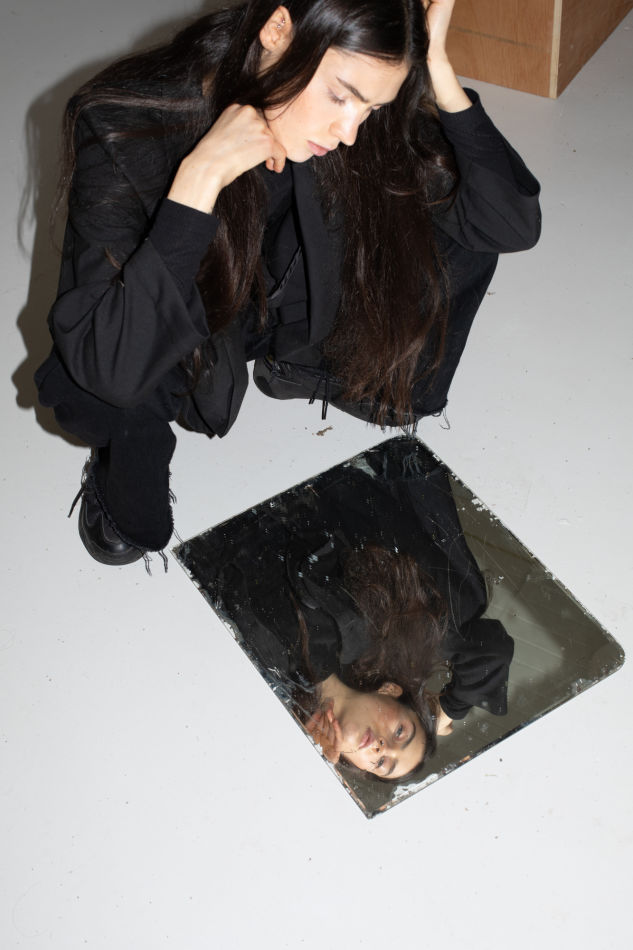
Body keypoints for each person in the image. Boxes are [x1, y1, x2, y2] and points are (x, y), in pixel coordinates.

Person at [35, 0, 541, 567]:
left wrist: (438, 68)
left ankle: (308, 367)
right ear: (278, 29)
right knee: (95, 365)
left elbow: (508, 225)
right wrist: (199, 178)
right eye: (341, 96)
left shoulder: (354, 114)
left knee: (462, 204)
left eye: (372, 107)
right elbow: (108, 363)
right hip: (191, 321)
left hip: (291, 292)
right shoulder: (126, 122)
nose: (349, 131)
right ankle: (133, 451)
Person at [176, 437, 515, 781]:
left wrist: (304, 751)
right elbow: (490, 651)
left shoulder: (267, 701)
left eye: (382, 763)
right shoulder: (377, 629)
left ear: (352, 764)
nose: (384, 747)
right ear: (389, 691)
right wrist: (449, 709)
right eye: (401, 732)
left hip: (193, 504)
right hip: (285, 457)